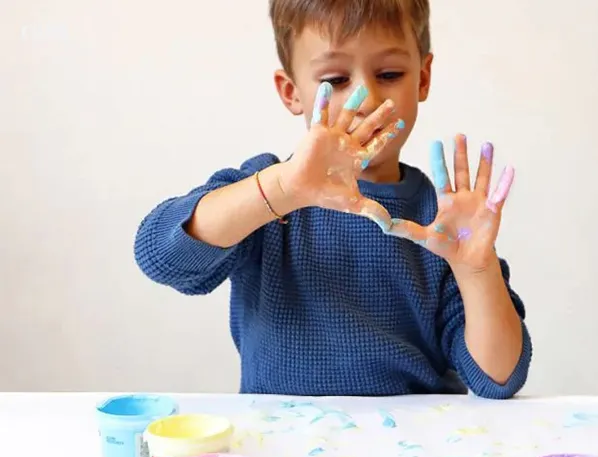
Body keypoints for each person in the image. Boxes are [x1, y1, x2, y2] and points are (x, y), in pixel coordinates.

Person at [134, 0, 532, 399]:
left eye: (389, 74)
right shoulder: (269, 196)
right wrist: (281, 191)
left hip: (413, 435)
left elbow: (498, 378)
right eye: (336, 80)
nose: (367, 98)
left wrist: (476, 271)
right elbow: (161, 257)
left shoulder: (441, 222)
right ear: (291, 92)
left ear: (423, 79)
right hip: (283, 434)